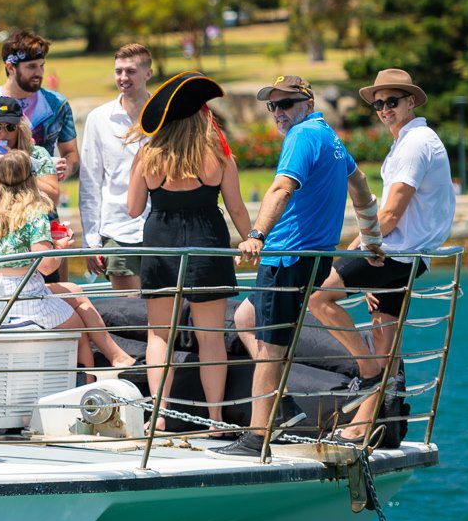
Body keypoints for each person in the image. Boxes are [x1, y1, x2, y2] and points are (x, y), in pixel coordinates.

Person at [219, 75, 384, 458]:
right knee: (245, 317)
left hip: (285, 257)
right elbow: (360, 185)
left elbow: (281, 188)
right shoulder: (330, 137)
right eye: (272, 106)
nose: (278, 113)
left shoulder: (302, 136)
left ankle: (258, 437)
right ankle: (285, 404)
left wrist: (256, 234)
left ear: (307, 104)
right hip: (311, 258)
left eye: (286, 104)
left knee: (270, 348)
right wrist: (371, 239)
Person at [310, 69, 454, 442]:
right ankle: (366, 422)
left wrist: (355, 249)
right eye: (378, 103)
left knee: (318, 297)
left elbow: (390, 215)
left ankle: (368, 370)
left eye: (392, 101)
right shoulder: (412, 140)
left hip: (393, 253)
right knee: (384, 334)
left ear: (410, 101)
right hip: (409, 257)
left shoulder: (413, 144)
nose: (385, 109)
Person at [124, 72, 251, 436]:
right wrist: (254, 240)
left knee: (159, 336)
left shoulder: (149, 153)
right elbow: (238, 208)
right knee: (210, 337)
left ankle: (159, 416)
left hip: (162, 243)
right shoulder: (217, 153)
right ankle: (215, 419)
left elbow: (133, 209)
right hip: (207, 241)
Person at [0, 150, 135, 371]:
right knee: (79, 329)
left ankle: (117, 356)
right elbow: (45, 266)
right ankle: (91, 381)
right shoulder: (34, 212)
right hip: (23, 297)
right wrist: (59, 248)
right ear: (31, 177)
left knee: (74, 289)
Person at [0, 29, 78, 182]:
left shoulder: (57, 104)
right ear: (10, 67)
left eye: (42, 65)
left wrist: (64, 170)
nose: (39, 73)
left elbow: (71, 154)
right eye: (32, 67)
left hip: (41, 198)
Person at [79, 43, 153, 289]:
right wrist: (91, 241)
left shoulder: (166, 115)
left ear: (147, 74)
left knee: (167, 314)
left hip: (162, 227)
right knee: (128, 317)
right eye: (118, 71)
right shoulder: (98, 118)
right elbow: (90, 182)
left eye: (131, 71)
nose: (123, 77)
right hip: (118, 230)